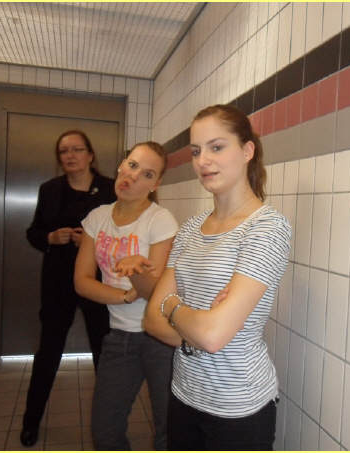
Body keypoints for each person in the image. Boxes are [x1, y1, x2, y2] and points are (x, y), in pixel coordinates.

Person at [143, 104, 292, 450]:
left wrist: (172, 305)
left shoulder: (267, 228)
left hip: (237, 407)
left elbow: (211, 336)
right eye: (196, 151)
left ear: (247, 150)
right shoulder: (191, 229)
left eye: (217, 147)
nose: (203, 161)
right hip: (184, 394)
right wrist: (196, 327)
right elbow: (151, 319)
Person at [74, 141, 178, 450]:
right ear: (121, 165)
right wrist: (125, 297)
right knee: (105, 430)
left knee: (168, 429)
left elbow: (156, 292)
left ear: (155, 184)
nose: (133, 177)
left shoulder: (159, 220)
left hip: (160, 338)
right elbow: (82, 282)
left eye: (147, 174)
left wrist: (136, 273)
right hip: (119, 335)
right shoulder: (97, 218)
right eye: (132, 165)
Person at [20, 129, 116, 447]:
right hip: (58, 282)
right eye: (64, 151)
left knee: (104, 352)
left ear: (90, 154)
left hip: (98, 281)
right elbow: (34, 231)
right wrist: (50, 238)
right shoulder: (49, 190)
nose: (70, 155)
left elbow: (122, 236)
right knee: (48, 351)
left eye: (77, 149)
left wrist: (91, 242)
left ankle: (109, 425)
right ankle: (31, 421)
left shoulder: (111, 190)